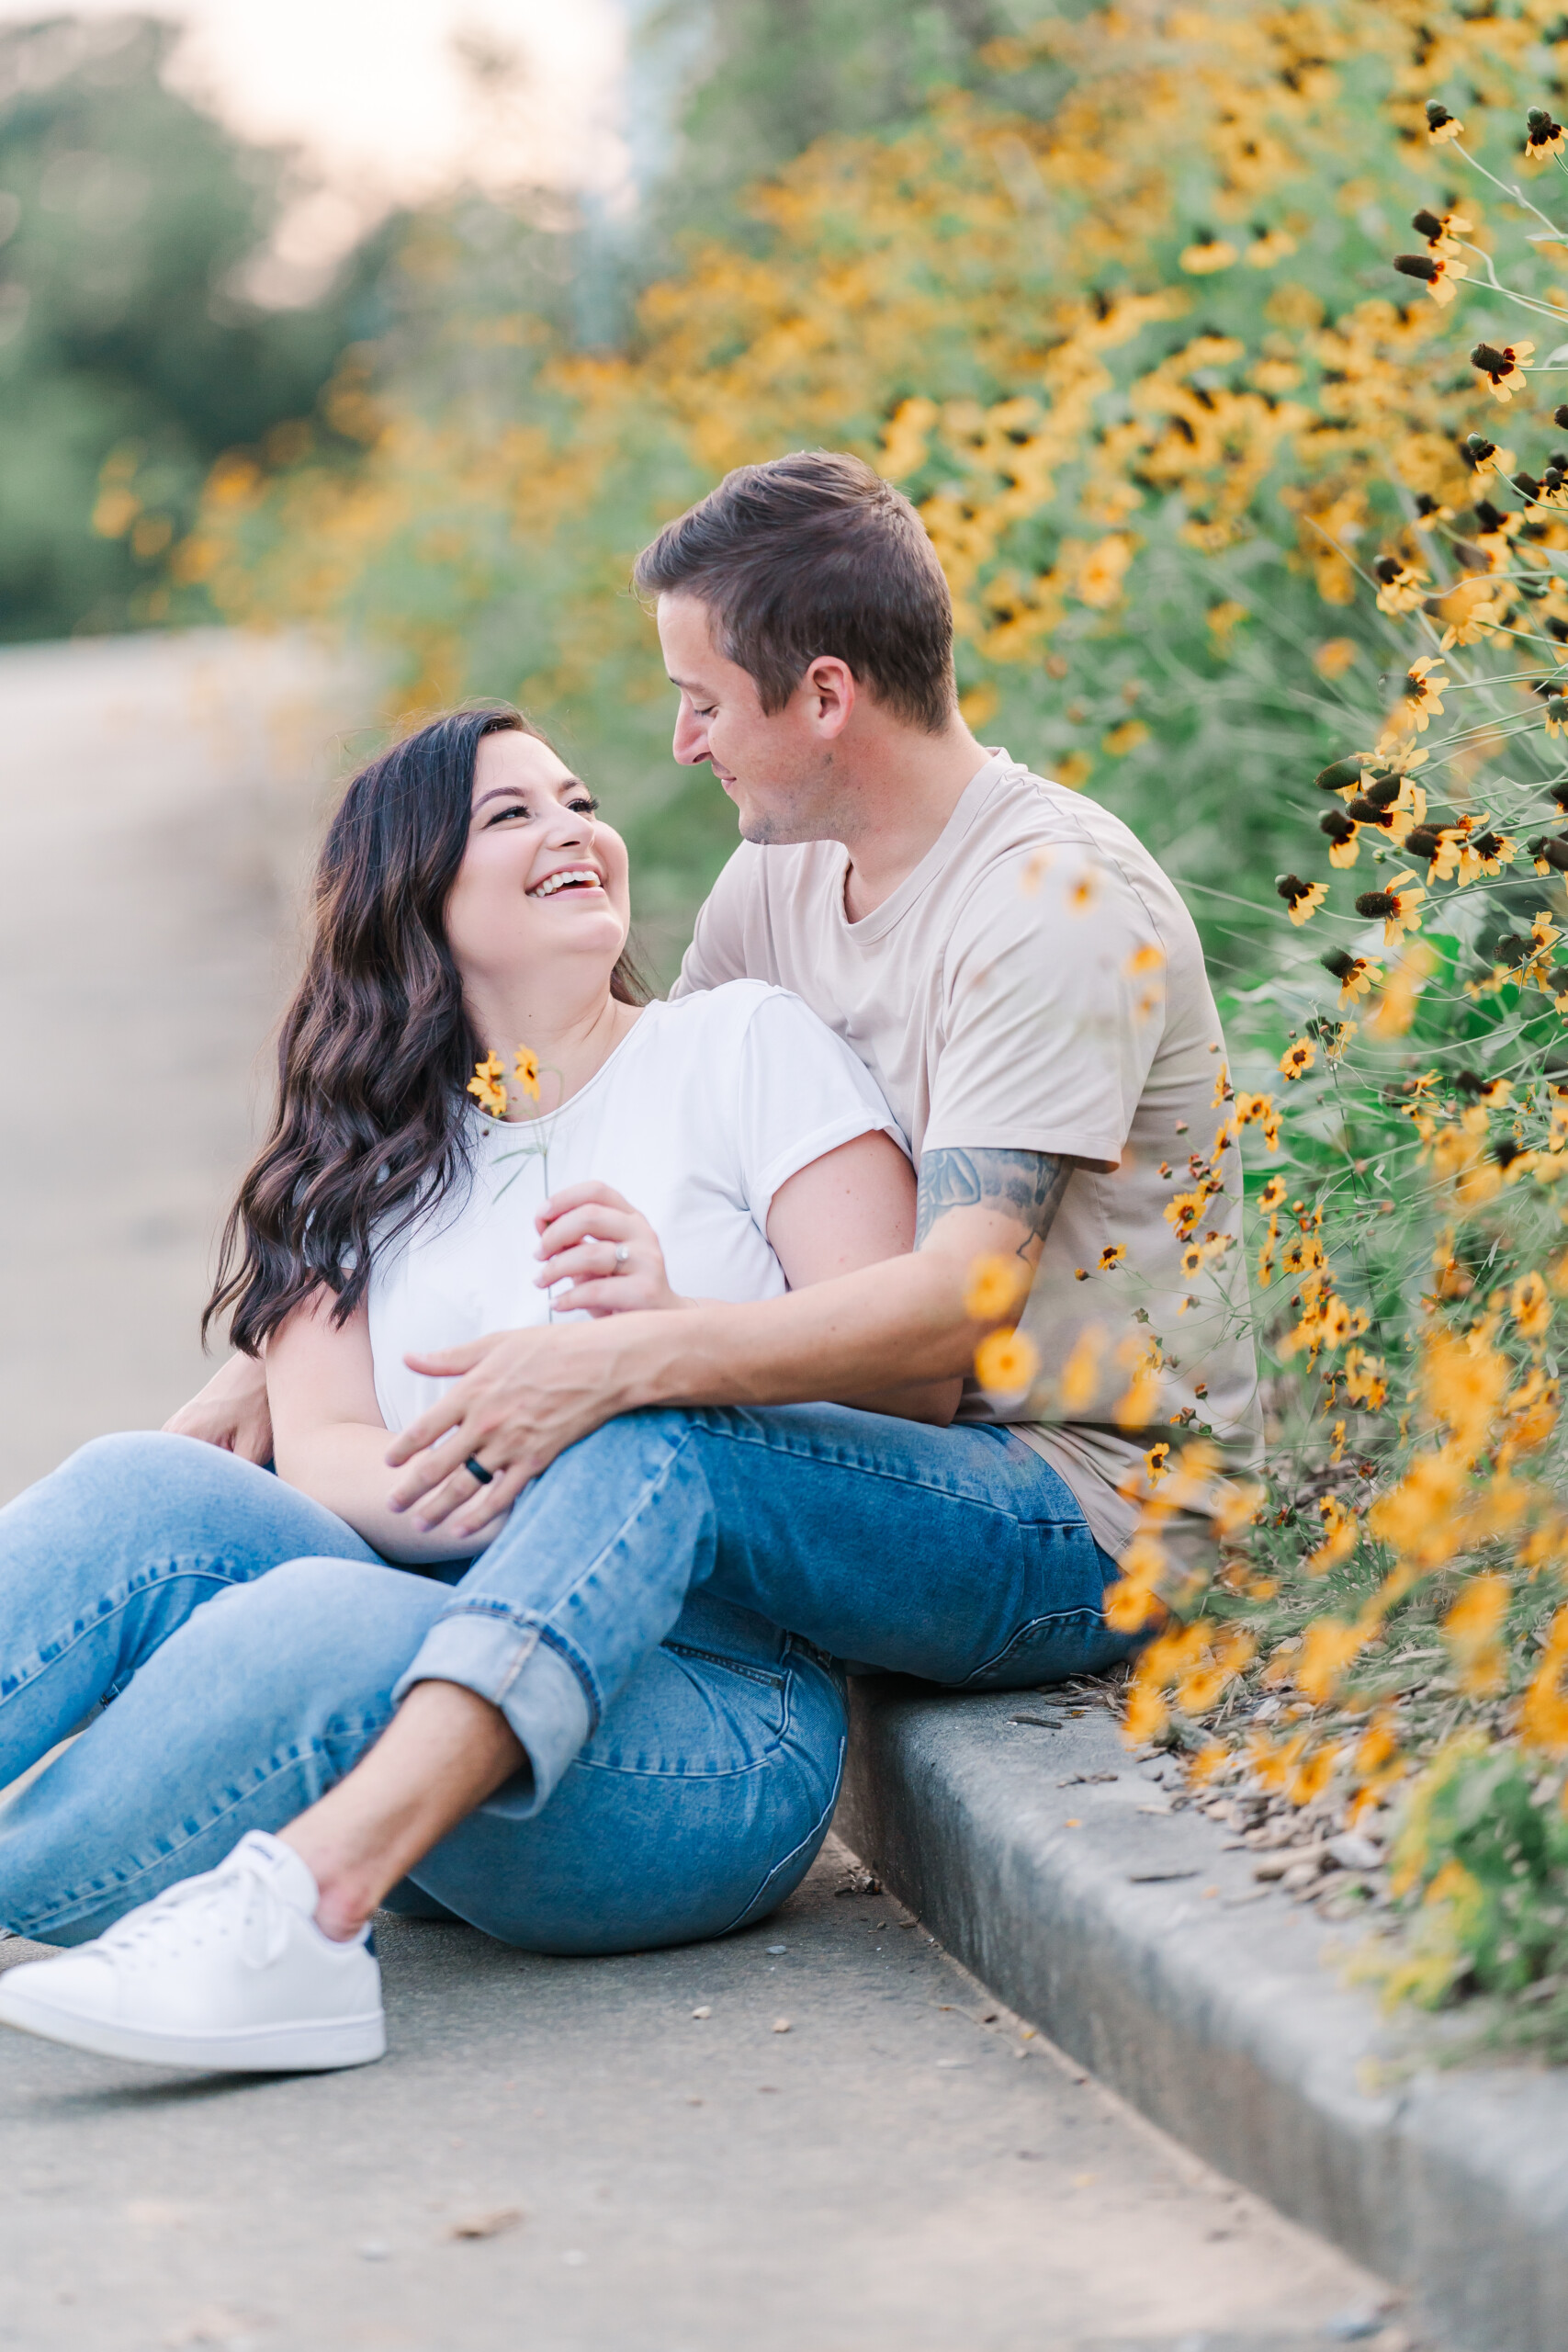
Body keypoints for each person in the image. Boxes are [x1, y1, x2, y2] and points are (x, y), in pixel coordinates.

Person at [1, 452, 1258, 2073]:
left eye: (697, 702)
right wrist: (291, 1327)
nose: (667, 751)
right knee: (142, 1492)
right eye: (521, 809)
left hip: (1075, 1495)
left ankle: (303, 1908)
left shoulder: (1045, 902)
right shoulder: (780, 885)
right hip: (811, 1499)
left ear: (819, 699)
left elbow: (954, 1315)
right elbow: (634, 1068)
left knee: (609, 1442)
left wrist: (628, 1350)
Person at [0, 700, 949, 2070]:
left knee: (328, 1616)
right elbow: (321, 1444)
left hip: (699, 1731)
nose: (572, 830)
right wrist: (497, 1477)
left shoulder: (741, 1047)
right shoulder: (365, 1153)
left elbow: (898, 1388)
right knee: (142, 1484)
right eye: (511, 816)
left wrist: (663, 1338)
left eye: (577, 800)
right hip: (433, 1656)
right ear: (415, 900)